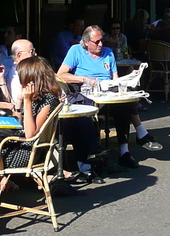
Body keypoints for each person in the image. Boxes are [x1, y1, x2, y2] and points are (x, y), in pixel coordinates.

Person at [56, 26, 143, 167]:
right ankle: (92, 155)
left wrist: (127, 79)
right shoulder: (76, 51)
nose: (100, 45)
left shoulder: (108, 53)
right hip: (87, 94)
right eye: (96, 42)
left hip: (107, 93)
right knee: (87, 116)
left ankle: (124, 152)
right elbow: (60, 75)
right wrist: (84, 79)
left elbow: (115, 78)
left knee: (124, 105)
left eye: (102, 41)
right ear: (85, 42)